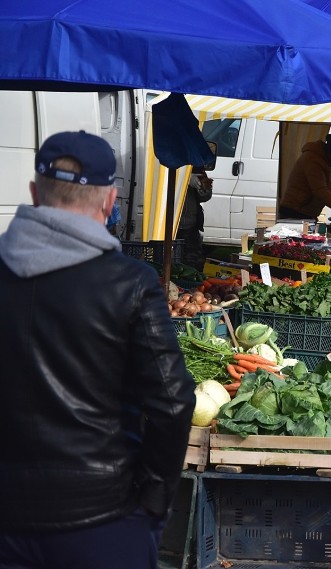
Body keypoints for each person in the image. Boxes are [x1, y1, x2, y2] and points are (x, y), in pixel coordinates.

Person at [0, 131, 195, 568]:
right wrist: (155, 498)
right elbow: (173, 401)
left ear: (34, 193)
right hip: (103, 517)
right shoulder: (131, 283)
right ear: (110, 203)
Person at [177, 167, 213, 270]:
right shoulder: (168, 165)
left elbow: (206, 196)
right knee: (171, 260)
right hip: (170, 225)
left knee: (194, 262)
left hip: (190, 226)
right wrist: (184, 179)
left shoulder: (197, 169)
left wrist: (202, 188)